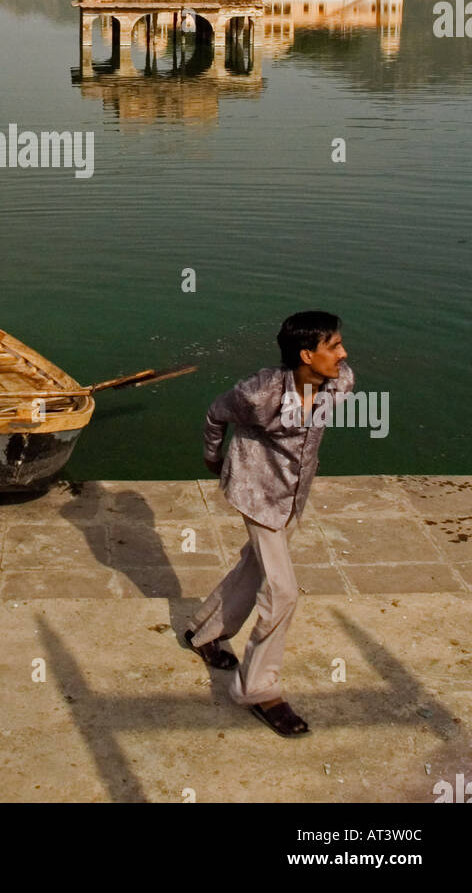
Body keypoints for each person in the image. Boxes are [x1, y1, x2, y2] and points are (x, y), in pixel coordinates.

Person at [184, 311, 353, 737]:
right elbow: (215, 413)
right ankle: (259, 690)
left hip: (293, 495)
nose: (343, 353)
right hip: (255, 493)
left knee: (256, 567)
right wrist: (211, 456)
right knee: (282, 592)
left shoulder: (342, 381)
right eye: (333, 346)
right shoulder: (258, 394)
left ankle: (205, 632)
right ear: (306, 354)